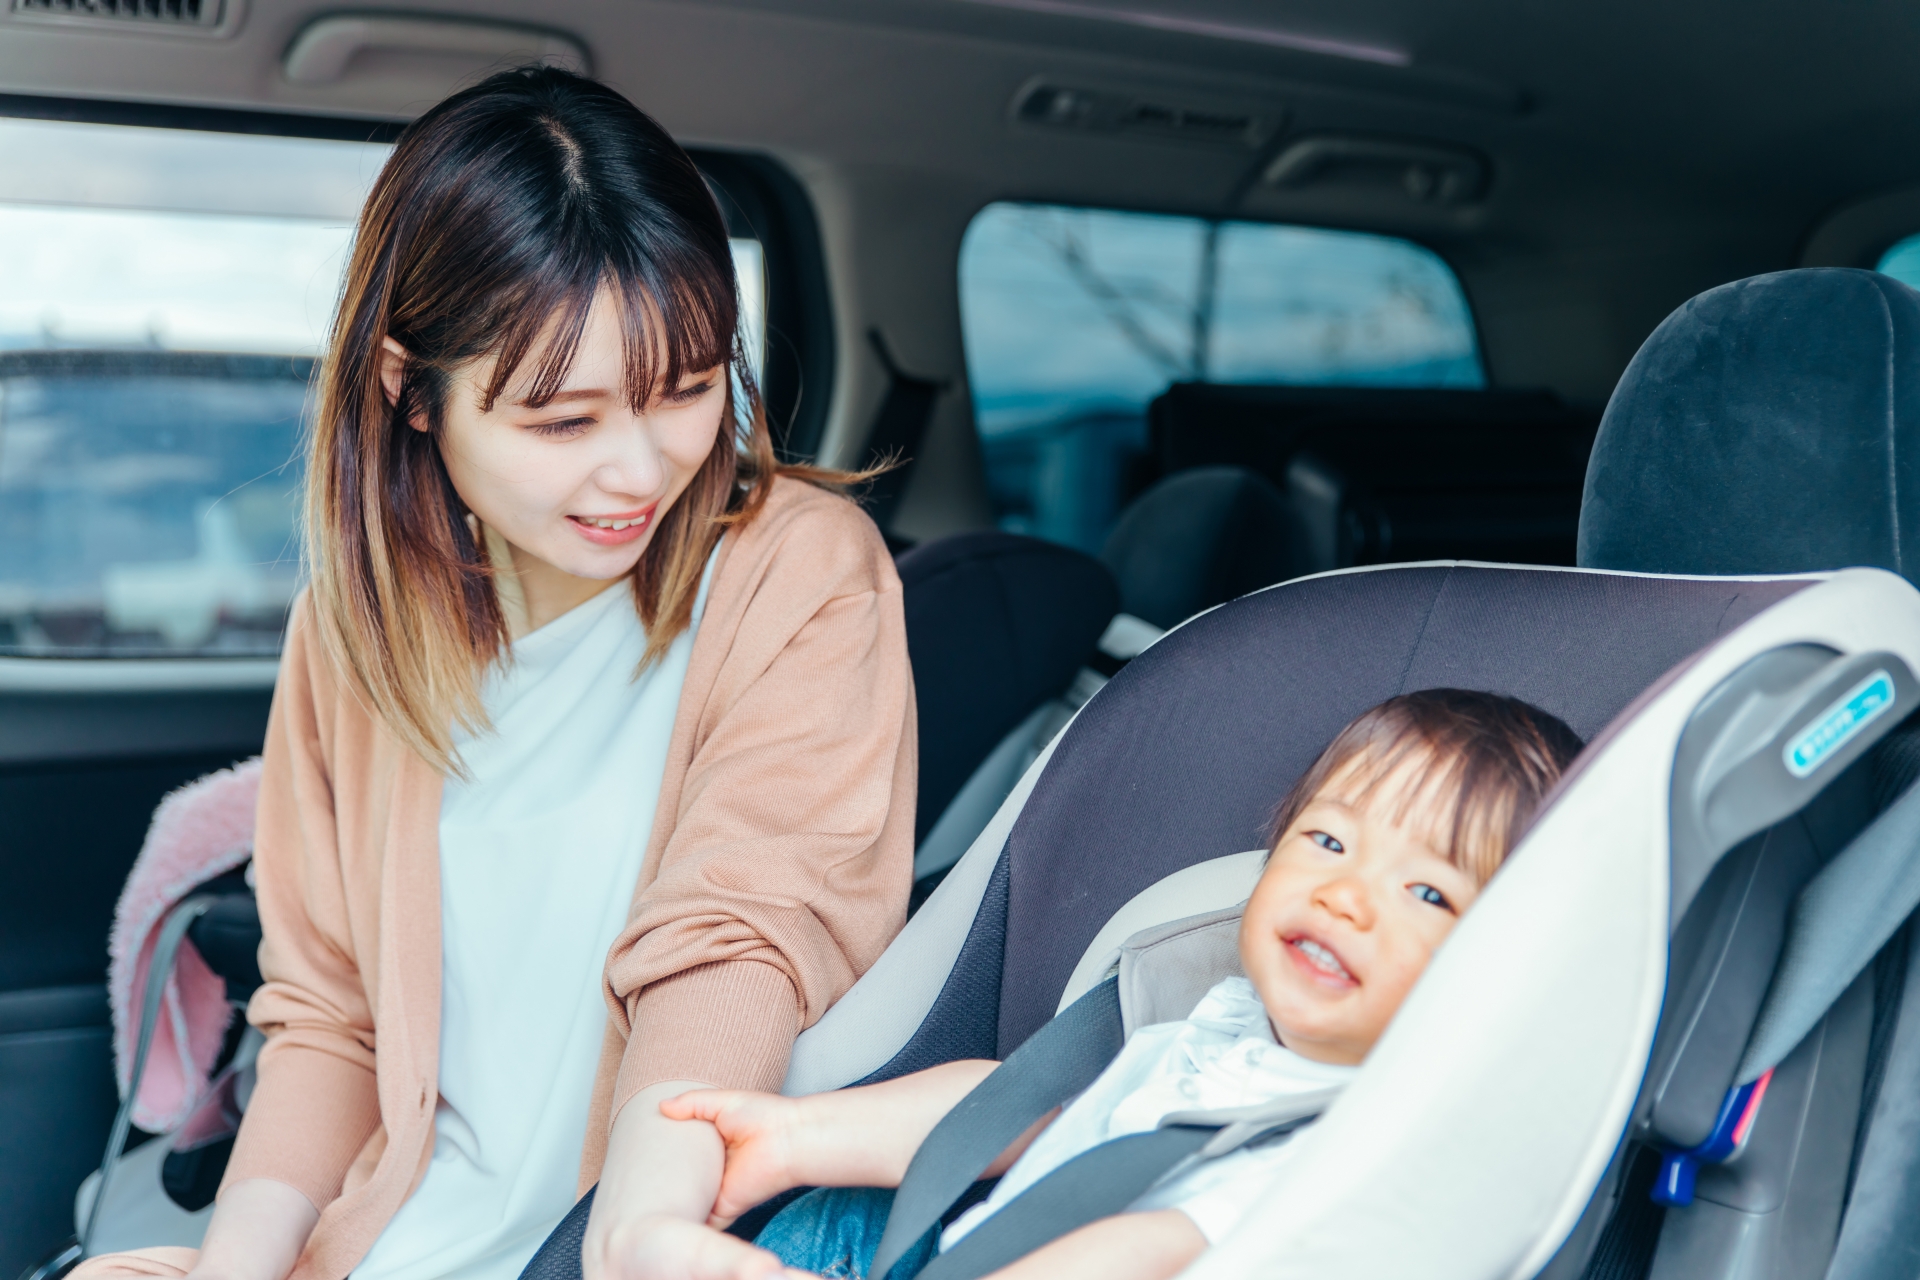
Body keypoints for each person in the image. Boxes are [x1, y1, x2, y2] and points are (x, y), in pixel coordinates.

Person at [74, 67, 915, 1280]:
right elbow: (328, 1017)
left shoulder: (797, 569)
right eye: (562, 422)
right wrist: (229, 1267)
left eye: (685, 390)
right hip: (392, 1240)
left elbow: (744, 928)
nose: (639, 470)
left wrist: (636, 1232)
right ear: (410, 390)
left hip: (631, 1233)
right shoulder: (352, 633)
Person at [656, 689, 1583, 1280]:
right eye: (1328, 843)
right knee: (842, 1209)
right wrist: (793, 1138)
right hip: (978, 1246)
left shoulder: (1361, 1149)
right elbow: (1038, 1115)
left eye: (1428, 891)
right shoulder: (1228, 1029)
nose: (1346, 896)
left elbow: (1149, 1252)